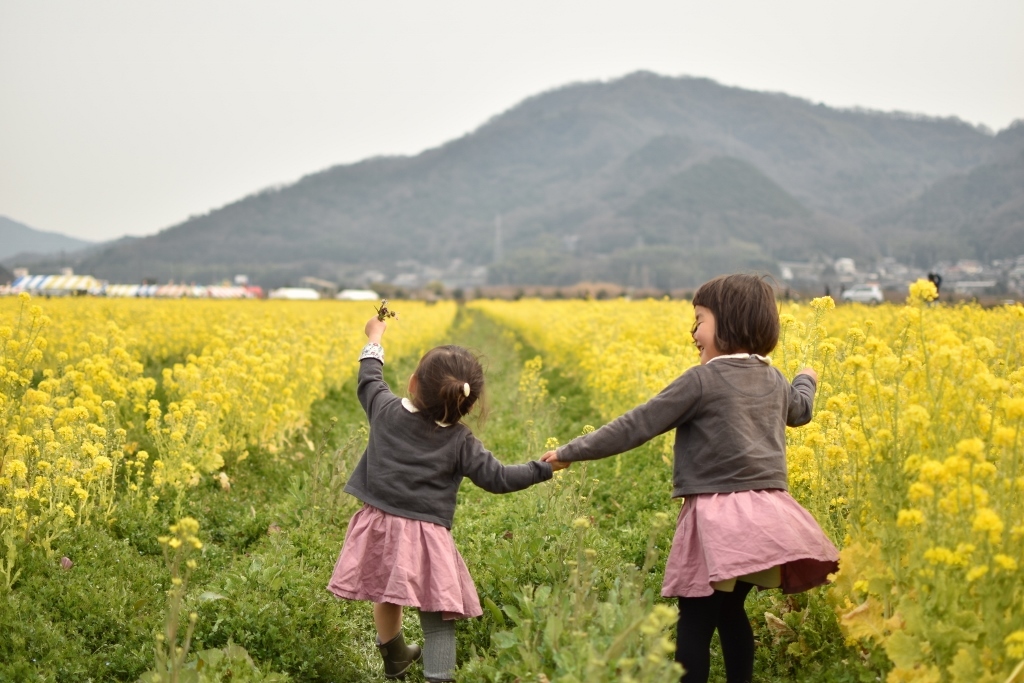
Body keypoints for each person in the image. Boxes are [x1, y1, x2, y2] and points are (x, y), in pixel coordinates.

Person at [542, 274, 839, 683]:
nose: (693, 332)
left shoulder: (701, 380)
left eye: (699, 320)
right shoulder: (774, 379)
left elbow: (638, 424)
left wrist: (570, 452)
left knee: (694, 619)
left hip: (719, 519)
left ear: (729, 323)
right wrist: (806, 376)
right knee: (732, 611)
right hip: (766, 519)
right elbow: (801, 411)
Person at [329, 316, 568, 682]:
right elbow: (500, 478)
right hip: (428, 540)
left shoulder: (384, 409)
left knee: (387, 594)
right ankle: (438, 677)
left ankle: (394, 656)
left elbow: (369, 377)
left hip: (381, 528)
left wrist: (375, 336)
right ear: (466, 405)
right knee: (438, 618)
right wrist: (544, 468)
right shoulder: (461, 441)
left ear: (412, 384)